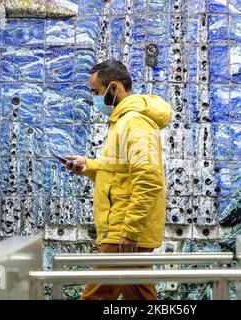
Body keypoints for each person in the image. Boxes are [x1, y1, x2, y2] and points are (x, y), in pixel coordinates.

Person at [65, 60, 172, 300]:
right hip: (123, 228)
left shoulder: (133, 122)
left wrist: (129, 232)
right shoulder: (122, 121)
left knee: (96, 296)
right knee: (140, 296)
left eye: (96, 92)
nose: (93, 99)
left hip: (122, 229)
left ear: (114, 88)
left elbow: (148, 178)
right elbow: (119, 173)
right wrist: (87, 166)